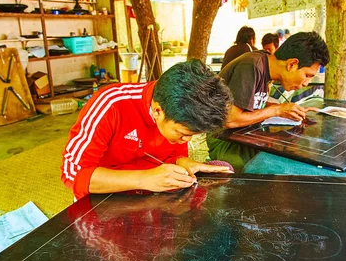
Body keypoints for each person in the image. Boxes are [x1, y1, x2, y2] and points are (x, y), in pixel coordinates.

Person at [61, 61, 233, 200]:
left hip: (151, 197)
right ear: (158, 111)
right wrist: (145, 179)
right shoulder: (111, 105)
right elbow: (72, 174)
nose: (186, 141)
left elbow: (168, 156)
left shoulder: (178, 112)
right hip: (103, 200)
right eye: (183, 134)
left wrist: (182, 162)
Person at [207, 31, 330, 171]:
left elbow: (252, 102)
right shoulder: (251, 66)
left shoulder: (265, 64)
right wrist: (276, 110)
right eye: (307, 75)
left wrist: (284, 109)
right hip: (224, 141)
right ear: (292, 64)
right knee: (278, 167)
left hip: (244, 135)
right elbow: (230, 120)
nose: (306, 83)